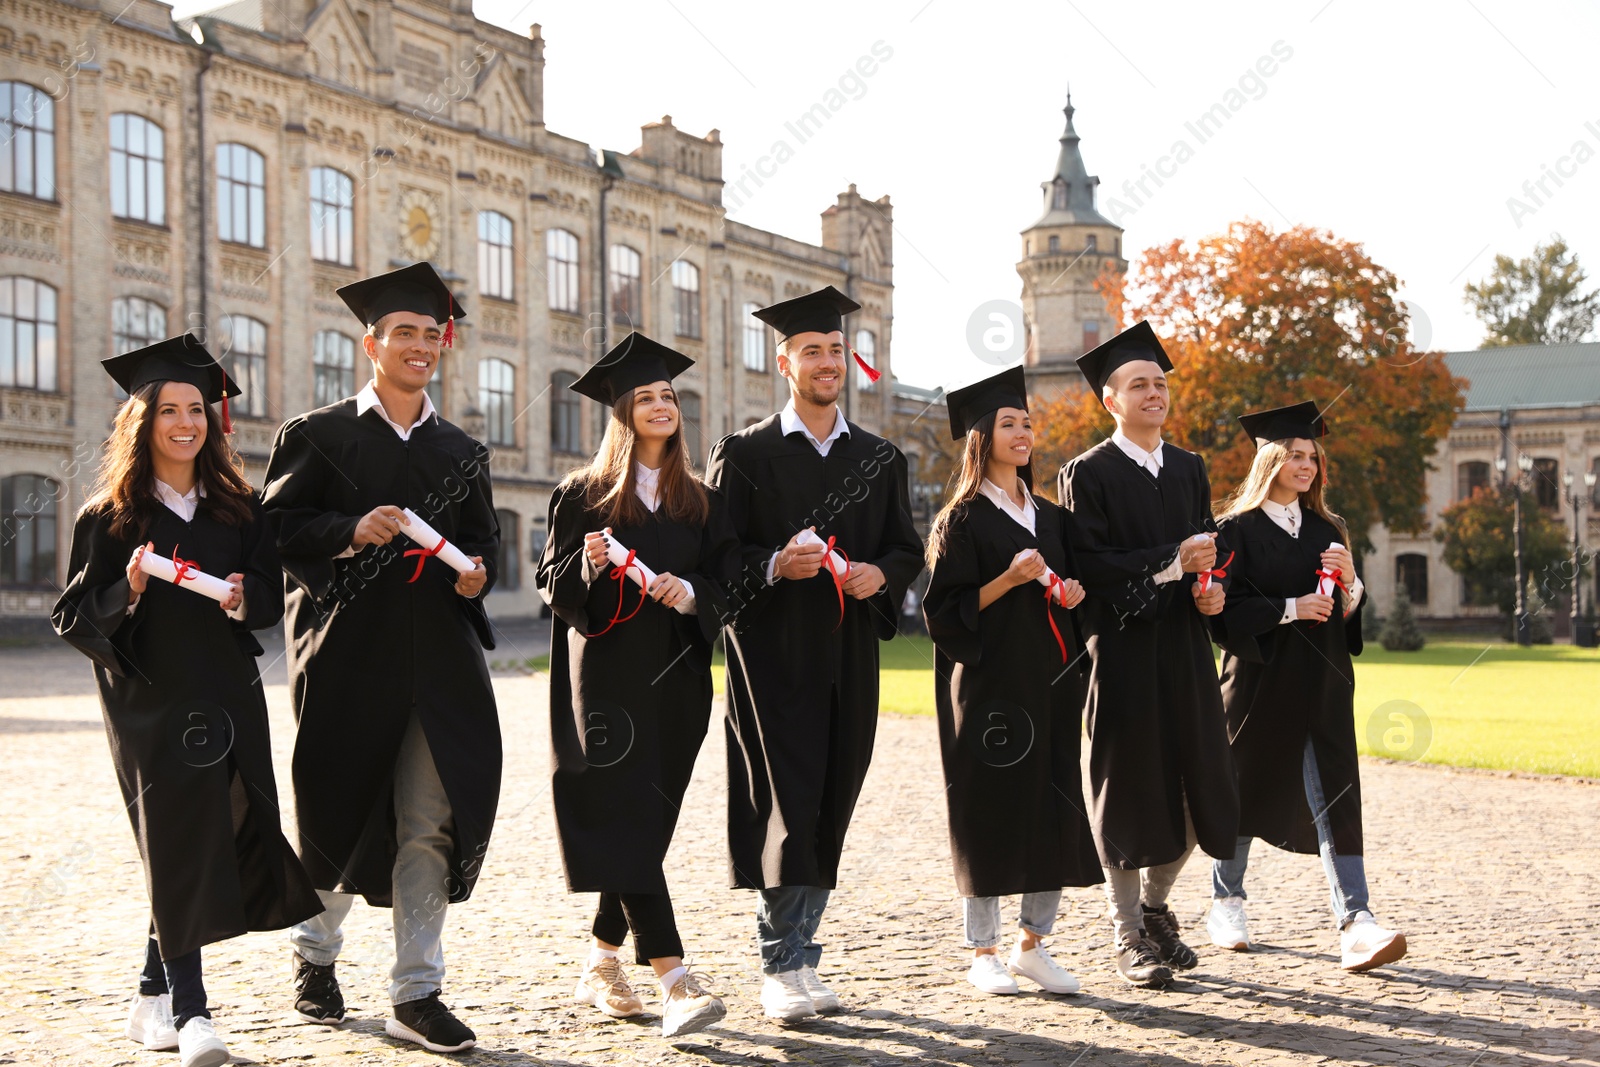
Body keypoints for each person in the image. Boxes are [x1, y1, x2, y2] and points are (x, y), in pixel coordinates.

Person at [53, 334, 322, 1067]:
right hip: (151, 704)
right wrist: (129, 587)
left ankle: (151, 994)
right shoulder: (109, 516)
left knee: (209, 839)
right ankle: (192, 1009)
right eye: (168, 409)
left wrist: (241, 598)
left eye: (196, 408)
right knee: (177, 839)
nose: (185, 422)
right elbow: (74, 615)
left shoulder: (240, 510)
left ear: (212, 419)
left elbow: (270, 596)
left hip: (227, 696)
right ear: (142, 422)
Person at [260, 262, 501, 1053]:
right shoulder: (318, 435)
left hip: (439, 662)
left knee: (428, 821)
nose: (421, 346)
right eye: (405, 333)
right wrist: (348, 530)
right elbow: (275, 531)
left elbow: (486, 547)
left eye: (433, 335)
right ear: (371, 343)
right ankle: (314, 952)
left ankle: (416, 991)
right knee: (338, 811)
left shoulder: (461, 448)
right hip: (347, 657)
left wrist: (476, 573)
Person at [704, 286, 925, 1021]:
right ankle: (781, 963)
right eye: (812, 351)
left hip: (850, 652)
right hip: (771, 657)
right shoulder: (745, 452)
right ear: (784, 361)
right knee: (786, 804)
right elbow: (717, 558)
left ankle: (801, 951)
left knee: (832, 798)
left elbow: (905, 544)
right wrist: (774, 565)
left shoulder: (879, 457)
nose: (827, 362)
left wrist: (881, 574)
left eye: (835, 350)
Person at [537, 334, 740, 1037]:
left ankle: (601, 957)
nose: (661, 405)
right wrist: (591, 569)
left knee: (643, 831)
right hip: (607, 686)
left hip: (679, 686)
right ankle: (676, 980)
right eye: (646, 396)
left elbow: (728, 586)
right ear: (620, 412)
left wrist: (691, 594)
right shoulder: (582, 495)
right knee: (625, 818)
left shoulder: (702, 502)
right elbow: (553, 586)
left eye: (669, 396)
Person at [1056, 320, 1239, 989]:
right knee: (1128, 791)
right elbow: (1092, 570)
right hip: (1124, 652)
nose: (1154, 392)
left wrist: (1208, 591)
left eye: (1160, 382)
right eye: (1139, 384)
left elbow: (1206, 555)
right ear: (1111, 400)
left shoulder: (1189, 467)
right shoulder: (1087, 474)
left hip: (1186, 650)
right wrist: (1169, 565)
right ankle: (1127, 932)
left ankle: (1157, 906)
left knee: (1205, 785)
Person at [921, 365, 1102, 997]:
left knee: (1052, 805)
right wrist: (1007, 580)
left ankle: (1033, 944)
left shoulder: (1052, 519)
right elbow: (943, 614)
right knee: (990, 808)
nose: (1023, 432)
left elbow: (1077, 597)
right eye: (1009, 423)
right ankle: (983, 950)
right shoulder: (962, 520)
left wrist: (1072, 592)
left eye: (1027, 423)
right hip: (990, 685)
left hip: (1052, 680)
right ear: (980, 436)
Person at [1206, 402, 1406, 972]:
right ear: (1269, 459)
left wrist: (1351, 587)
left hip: (1322, 680)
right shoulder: (1234, 531)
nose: (1307, 465)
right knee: (1245, 789)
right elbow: (1223, 616)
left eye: (1313, 457)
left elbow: (1346, 616)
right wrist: (1291, 608)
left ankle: (1356, 921)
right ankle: (1226, 900)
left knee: (1337, 793)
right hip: (1258, 680)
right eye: (1294, 455)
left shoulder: (1329, 529)